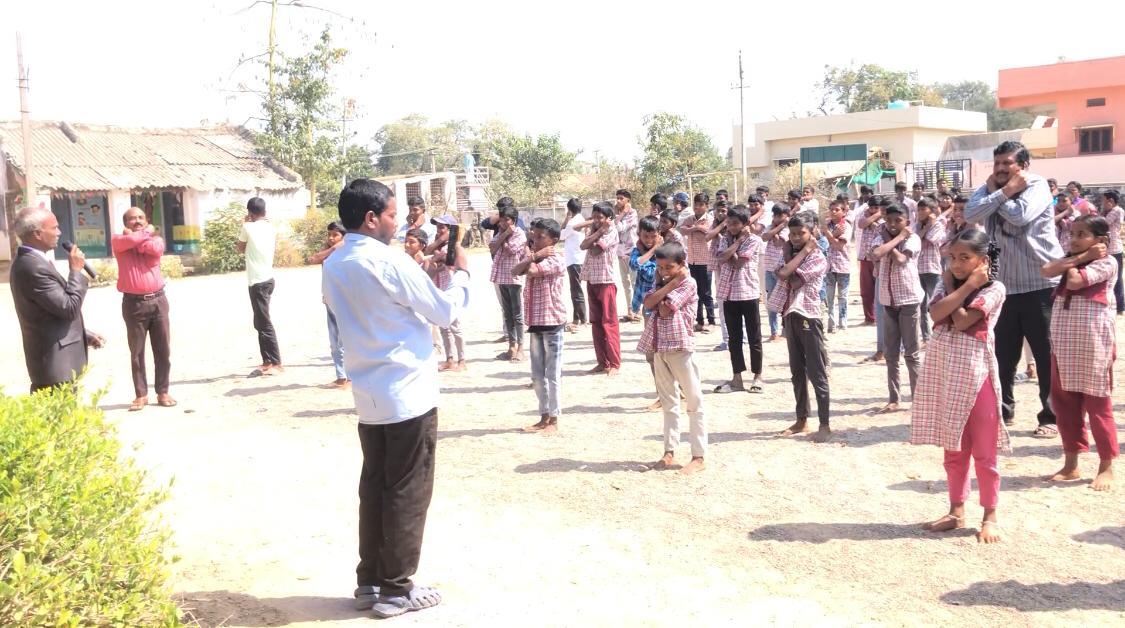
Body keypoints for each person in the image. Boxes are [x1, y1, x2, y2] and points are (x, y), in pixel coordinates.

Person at [324, 179, 469, 619]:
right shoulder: (388, 261)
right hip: (407, 392)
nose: (397, 222)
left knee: (376, 489)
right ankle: (396, 588)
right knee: (407, 489)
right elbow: (444, 312)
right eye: (391, 215)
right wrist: (461, 275)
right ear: (371, 219)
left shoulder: (334, 264)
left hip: (369, 392)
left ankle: (370, 580)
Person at [911, 229, 1009, 544]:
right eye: (952, 257)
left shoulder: (995, 289)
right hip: (946, 373)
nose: (956, 263)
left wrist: (962, 289)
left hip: (976, 372)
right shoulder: (949, 282)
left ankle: (990, 514)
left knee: (984, 450)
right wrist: (963, 288)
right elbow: (936, 312)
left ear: (983, 261)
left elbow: (965, 321)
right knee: (953, 446)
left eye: (964, 258)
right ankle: (956, 510)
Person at [965, 140, 1063, 437]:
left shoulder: (1038, 187)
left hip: (1040, 284)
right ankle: (1003, 412)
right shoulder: (994, 188)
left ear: (1024, 165)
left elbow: (1020, 215)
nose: (1001, 169)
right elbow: (970, 214)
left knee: (1046, 356)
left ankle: (1050, 417)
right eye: (997, 164)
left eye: (1008, 163)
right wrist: (1003, 191)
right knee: (1004, 355)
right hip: (1005, 287)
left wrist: (998, 194)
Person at [1041, 215, 1118, 491]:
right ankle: (1071, 463)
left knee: (1098, 405)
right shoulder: (1072, 259)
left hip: (1093, 345)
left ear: (1101, 241)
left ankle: (1106, 465)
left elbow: (1074, 281)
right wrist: (1080, 254)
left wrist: (1080, 258)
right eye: (1072, 233)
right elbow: (1046, 270)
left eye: (1082, 234)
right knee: (1065, 405)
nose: (1073, 239)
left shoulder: (1107, 262)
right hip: (1064, 344)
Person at [10, 206, 105, 392]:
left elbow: (49, 311)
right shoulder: (32, 267)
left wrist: (83, 334)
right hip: (53, 368)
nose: (59, 232)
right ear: (37, 233)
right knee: (57, 418)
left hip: (59, 365)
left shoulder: (36, 261)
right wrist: (76, 271)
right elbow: (69, 308)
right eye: (54, 228)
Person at [640, 242, 706, 475]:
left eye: (670, 267)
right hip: (660, 347)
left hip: (680, 347)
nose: (664, 271)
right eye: (661, 268)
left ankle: (698, 456)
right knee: (669, 403)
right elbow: (648, 303)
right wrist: (670, 283)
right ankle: (669, 451)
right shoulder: (668, 281)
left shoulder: (688, 283)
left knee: (694, 401)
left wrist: (672, 285)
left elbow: (666, 308)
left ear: (682, 265)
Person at [769, 212, 831, 442]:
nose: (795, 238)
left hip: (809, 315)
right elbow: (778, 273)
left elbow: (787, 276)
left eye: (801, 233)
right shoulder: (790, 252)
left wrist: (799, 253)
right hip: (790, 314)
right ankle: (801, 419)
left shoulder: (817, 257)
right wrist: (789, 254)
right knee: (797, 371)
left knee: (816, 371)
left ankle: (824, 424)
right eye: (792, 234)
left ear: (812, 232)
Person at [112, 206, 175, 410]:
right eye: (132, 219)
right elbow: (128, 242)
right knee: (137, 352)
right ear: (125, 223)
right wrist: (142, 236)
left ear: (146, 219)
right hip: (134, 304)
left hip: (158, 300)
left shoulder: (156, 239)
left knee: (163, 349)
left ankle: (163, 392)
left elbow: (154, 250)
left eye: (140, 217)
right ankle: (141, 395)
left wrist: (141, 237)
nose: (137, 221)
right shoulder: (118, 240)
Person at [513, 218, 567, 433]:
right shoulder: (536, 256)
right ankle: (543, 415)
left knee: (552, 375)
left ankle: (553, 419)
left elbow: (531, 271)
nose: (534, 240)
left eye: (540, 237)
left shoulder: (556, 259)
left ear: (554, 240)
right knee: (537, 375)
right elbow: (515, 271)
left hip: (552, 321)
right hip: (536, 321)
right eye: (533, 236)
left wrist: (532, 257)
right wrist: (534, 255)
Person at [870, 203, 923, 414]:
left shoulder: (913, 238)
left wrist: (896, 239)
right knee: (891, 354)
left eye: (897, 221)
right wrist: (890, 241)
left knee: (911, 353)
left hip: (908, 299)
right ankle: (894, 398)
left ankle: (918, 399)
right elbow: (875, 253)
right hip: (888, 300)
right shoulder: (880, 236)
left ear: (907, 223)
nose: (892, 225)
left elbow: (901, 260)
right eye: (888, 221)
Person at [713, 205, 765, 394]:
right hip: (728, 294)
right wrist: (736, 242)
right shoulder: (724, 239)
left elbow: (738, 263)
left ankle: (757, 376)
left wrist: (734, 246)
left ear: (745, 224)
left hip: (747, 293)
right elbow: (721, 258)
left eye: (736, 224)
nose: (732, 228)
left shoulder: (754, 240)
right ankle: (737, 378)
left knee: (754, 337)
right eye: (729, 224)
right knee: (734, 339)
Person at [237, 197, 281, 375]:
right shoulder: (271, 227)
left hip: (257, 281)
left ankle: (276, 362)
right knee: (260, 322)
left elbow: (239, 248)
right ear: (265, 211)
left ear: (250, 212)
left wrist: (245, 223)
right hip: (268, 278)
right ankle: (267, 360)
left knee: (264, 323)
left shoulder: (247, 227)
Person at [580, 201, 621, 376]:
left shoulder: (612, 232)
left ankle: (614, 363)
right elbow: (583, 245)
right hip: (592, 280)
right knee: (596, 323)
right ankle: (602, 361)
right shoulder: (597, 231)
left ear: (609, 218)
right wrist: (597, 232)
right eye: (594, 217)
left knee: (609, 323)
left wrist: (595, 236)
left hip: (605, 281)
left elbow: (595, 250)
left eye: (600, 217)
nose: (596, 220)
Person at [309, 222, 349, 388]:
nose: (331, 238)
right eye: (329, 235)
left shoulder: (347, 252)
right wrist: (333, 248)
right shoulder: (330, 251)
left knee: (346, 339)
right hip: (330, 299)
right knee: (335, 341)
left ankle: (351, 376)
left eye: (335, 235)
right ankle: (341, 376)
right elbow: (313, 259)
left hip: (345, 301)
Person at [489, 201, 528, 363]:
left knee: (517, 314)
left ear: (513, 220)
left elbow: (511, 250)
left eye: (507, 220)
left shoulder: (519, 234)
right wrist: (503, 235)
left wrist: (503, 237)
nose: (503, 223)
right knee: (508, 314)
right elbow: (492, 247)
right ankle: (511, 346)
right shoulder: (501, 232)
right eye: (502, 220)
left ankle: (520, 347)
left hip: (513, 277)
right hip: (500, 276)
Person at [426, 215, 466, 372]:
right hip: (439, 285)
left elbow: (452, 263)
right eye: (438, 227)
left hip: (451, 287)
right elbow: (429, 252)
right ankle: (449, 358)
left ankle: (462, 359)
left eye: (443, 227)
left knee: (455, 325)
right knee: (443, 324)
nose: (439, 230)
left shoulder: (454, 246)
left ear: (451, 230)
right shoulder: (437, 245)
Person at [679, 193, 715, 332]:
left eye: (701, 205)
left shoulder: (710, 219)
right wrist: (695, 228)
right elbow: (682, 230)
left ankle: (711, 320)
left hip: (705, 261)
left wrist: (693, 229)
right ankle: (699, 321)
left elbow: (708, 232)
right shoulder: (689, 218)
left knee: (706, 292)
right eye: (696, 204)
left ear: (706, 206)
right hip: (692, 261)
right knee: (695, 292)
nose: (698, 208)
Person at [914, 197, 947, 343]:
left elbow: (928, 241)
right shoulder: (917, 226)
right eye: (919, 209)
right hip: (917, 269)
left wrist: (927, 229)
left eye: (923, 209)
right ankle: (926, 338)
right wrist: (926, 228)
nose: (920, 212)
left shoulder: (938, 225)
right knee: (921, 304)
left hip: (932, 268)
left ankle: (939, 334)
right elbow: (915, 241)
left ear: (931, 211)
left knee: (935, 304)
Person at [762, 204, 791, 342]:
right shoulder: (772, 226)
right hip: (769, 268)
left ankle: (786, 329)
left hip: (782, 269)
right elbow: (765, 237)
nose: (776, 218)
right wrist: (778, 228)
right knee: (771, 301)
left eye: (780, 216)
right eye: (775, 215)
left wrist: (776, 231)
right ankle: (774, 331)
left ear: (787, 216)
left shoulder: (789, 229)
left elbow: (780, 243)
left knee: (785, 300)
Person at [823, 198, 852, 333]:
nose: (834, 212)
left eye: (837, 210)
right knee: (829, 296)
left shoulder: (846, 226)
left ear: (844, 211)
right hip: (829, 266)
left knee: (843, 296)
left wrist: (829, 235)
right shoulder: (827, 225)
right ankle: (831, 324)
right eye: (832, 209)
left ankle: (843, 322)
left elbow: (839, 245)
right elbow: (822, 244)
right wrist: (832, 235)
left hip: (842, 265)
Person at [706, 201, 730, 350]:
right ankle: (726, 339)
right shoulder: (715, 224)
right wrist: (721, 225)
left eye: (723, 211)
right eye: (718, 211)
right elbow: (708, 237)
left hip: (732, 268)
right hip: (719, 269)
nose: (720, 214)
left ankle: (742, 337)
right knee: (722, 304)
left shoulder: (734, 227)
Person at [614, 189, 641, 323]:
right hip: (620, 252)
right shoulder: (616, 213)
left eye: (621, 198)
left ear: (628, 200)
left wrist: (622, 214)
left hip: (632, 251)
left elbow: (621, 228)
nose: (618, 201)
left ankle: (638, 311)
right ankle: (630, 310)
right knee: (625, 283)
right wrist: (619, 215)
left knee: (635, 281)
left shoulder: (632, 213)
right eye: (617, 198)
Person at [1099, 190, 1124, 314]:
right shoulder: (1109, 211)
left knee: (1117, 278)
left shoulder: (1116, 210)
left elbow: (1103, 224)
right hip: (1107, 248)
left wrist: (1103, 212)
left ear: (1111, 201)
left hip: (1114, 249)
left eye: (1103, 200)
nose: (1102, 203)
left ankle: (1120, 306)